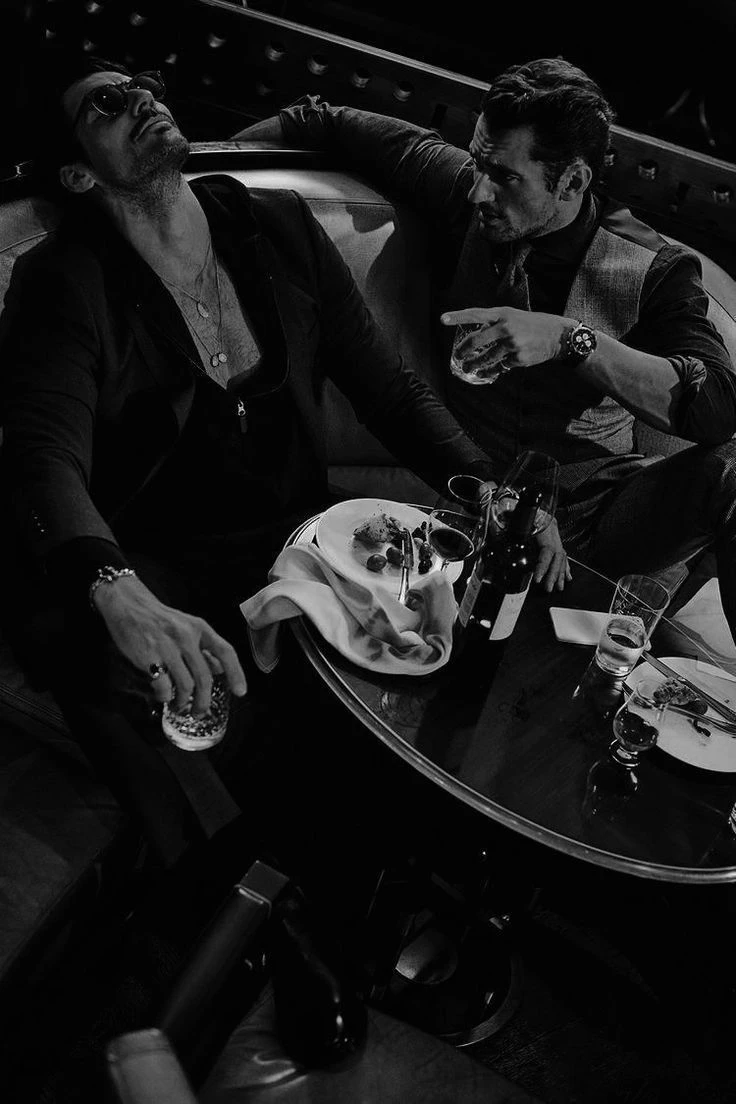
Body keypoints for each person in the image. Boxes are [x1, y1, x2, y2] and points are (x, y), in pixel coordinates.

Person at [0, 51, 502, 870]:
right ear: (79, 174)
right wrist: (116, 589)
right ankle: (222, 890)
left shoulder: (278, 228)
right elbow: (42, 453)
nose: (141, 99)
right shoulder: (64, 279)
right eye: (105, 105)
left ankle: (375, 870)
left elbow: (389, 391)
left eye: (142, 86)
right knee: (100, 653)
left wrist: (487, 489)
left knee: (433, 657)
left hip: (292, 539)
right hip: (156, 555)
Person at [236, 56, 736, 646]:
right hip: (474, 493)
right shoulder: (464, 193)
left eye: (504, 176)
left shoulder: (655, 268)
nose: (479, 190)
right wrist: (197, 186)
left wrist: (569, 340)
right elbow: (318, 119)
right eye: (479, 163)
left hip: (600, 513)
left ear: (573, 181)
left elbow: (718, 407)